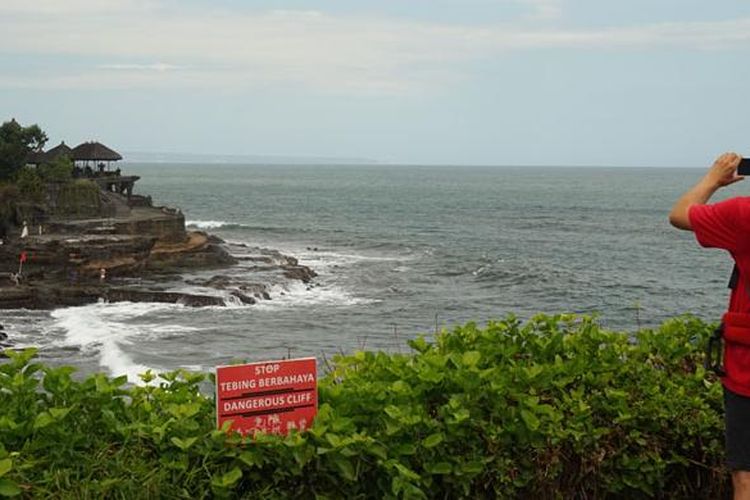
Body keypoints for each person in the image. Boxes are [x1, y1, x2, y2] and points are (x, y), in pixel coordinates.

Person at [669, 152, 750, 499]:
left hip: (747, 372)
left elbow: (679, 214)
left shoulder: (744, 215)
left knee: (746, 475)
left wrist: (713, 180)